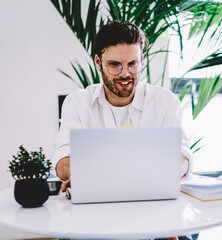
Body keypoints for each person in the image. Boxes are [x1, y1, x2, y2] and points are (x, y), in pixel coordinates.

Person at [52, 21, 198, 240]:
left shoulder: (165, 101)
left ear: (141, 61)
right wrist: (141, 175)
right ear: (98, 62)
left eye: (133, 64)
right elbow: (62, 162)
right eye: (114, 65)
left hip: (155, 212)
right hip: (93, 216)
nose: (125, 74)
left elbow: (182, 159)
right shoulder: (77, 102)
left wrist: (95, 175)